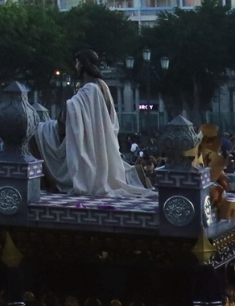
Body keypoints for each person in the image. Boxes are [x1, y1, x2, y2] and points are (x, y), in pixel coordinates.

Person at [32, 50, 150, 199]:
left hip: (86, 137)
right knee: (44, 130)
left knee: (38, 134)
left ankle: (45, 187)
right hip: (90, 133)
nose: (75, 65)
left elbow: (70, 111)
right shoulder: (101, 85)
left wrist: (71, 104)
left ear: (82, 64)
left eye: (77, 62)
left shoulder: (90, 88)